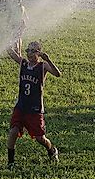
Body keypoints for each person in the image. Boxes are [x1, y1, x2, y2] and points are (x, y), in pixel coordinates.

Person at [5, 38, 62, 169]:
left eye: (32, 51)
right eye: (28, 50)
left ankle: (52, 150)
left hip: (35, 109)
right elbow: (11, 53)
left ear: (39, 53)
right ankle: (10, 162)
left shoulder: (43, 66)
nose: (29, 53)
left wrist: (48, 60)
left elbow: (58, 74)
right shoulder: (23, 63)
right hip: (21, 106)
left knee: (40, 138)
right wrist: (8, 37)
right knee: (13, 131)